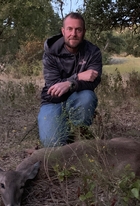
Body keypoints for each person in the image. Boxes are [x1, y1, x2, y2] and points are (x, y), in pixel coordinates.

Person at [37, 12, 102, 147]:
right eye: (70, 29)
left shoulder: (93, 52)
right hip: (52, 101)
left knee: (87, 97)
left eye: (78, 30)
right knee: (52, 144)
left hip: (78, 97)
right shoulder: (50, 52)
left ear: (84, 32)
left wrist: (69, 84)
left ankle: (80, 130)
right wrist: (76, 78)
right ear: (63, 31)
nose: (74, 33)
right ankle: (60, 125)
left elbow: (93, 81)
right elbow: (53, 86)